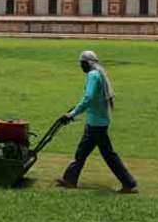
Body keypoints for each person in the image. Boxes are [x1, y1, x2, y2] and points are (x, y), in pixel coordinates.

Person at [56, 50, 138, 194]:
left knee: (107, 155)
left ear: (87, 63)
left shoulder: (93, 75)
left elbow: (88, 98)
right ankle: (69, 179)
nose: (80, 66)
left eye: (81, 63)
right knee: (82, 152)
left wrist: (72, 114)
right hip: (97, 121)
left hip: (96, 124)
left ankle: (129, 183)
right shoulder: (99, 73)